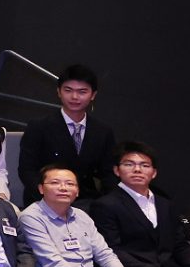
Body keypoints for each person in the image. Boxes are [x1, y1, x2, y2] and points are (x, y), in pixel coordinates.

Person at [17, 64, 119, 197]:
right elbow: (27, 170)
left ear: (93, 95)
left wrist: (107, 201)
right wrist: (47, 195)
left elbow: (109, 173)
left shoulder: (102, 131)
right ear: (59, 92)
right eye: (68, 90)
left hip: (87, 200)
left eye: (82, 92)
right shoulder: (39, 126)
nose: (74, 97)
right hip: (45, 200)